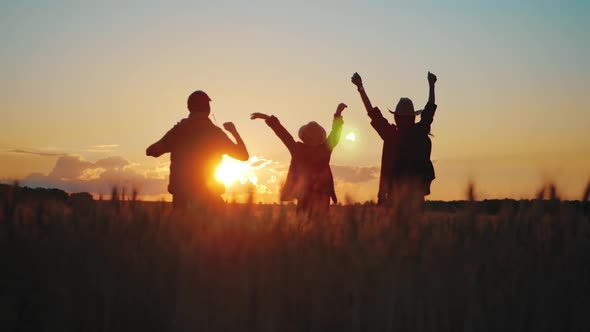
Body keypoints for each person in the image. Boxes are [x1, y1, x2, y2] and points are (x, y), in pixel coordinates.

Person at [146, 90, 249, 210]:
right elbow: (243, 156)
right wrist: (234, 132)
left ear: (189, 107)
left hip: (181, 201)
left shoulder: (178, 131)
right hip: (210, 200)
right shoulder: (215, 133)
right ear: (208, 108)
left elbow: (151, 151)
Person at [351, 72, 438, 207]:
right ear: (413, 117)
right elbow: (429, 110)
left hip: (393, 192)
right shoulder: (420, 132)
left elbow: (372, 112)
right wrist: (432, 86)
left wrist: (360, 88)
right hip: (416, 191)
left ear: (396, 117)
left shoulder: (391, 134)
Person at [250, 103, 347, 216]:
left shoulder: (299, 149)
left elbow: (283, 134)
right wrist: (338, 114)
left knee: (305, 224)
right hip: (317, 194)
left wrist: (267, 118)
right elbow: (336, 133)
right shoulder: (323, 148)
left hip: (312, 194)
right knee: (316, 226)